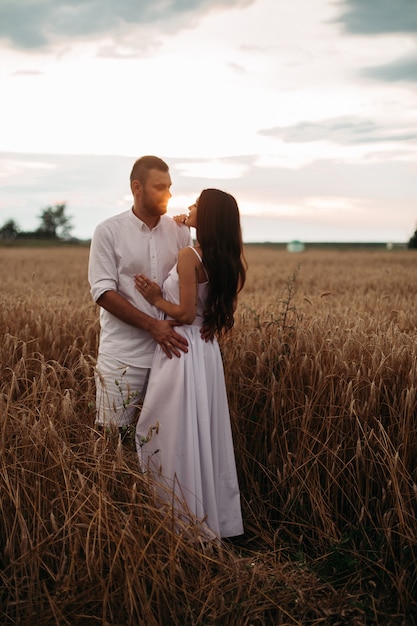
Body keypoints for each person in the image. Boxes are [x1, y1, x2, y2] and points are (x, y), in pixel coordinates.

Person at [134, 188, 247, 540]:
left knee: (170, 431)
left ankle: (180, 522)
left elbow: (183, 312)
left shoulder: (188, 256)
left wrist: (154, 298)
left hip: (181, 350)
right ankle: (212, 518)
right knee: (204, 431)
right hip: (206, 349)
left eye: (196, 204)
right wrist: (182, 223)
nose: (189, 206)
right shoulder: (226, 258)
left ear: (209, 216)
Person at [88, 155, 193, 432]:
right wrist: (152, 326)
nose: (168, 194)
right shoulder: (108, 231)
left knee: (168, 442)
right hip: (122, 356)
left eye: (169, 187)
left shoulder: (180, 232)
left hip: (171, 354)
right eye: (160, 187)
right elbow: (102, 291)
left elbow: (192, 287)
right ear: (137, 187)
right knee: (111, 439)